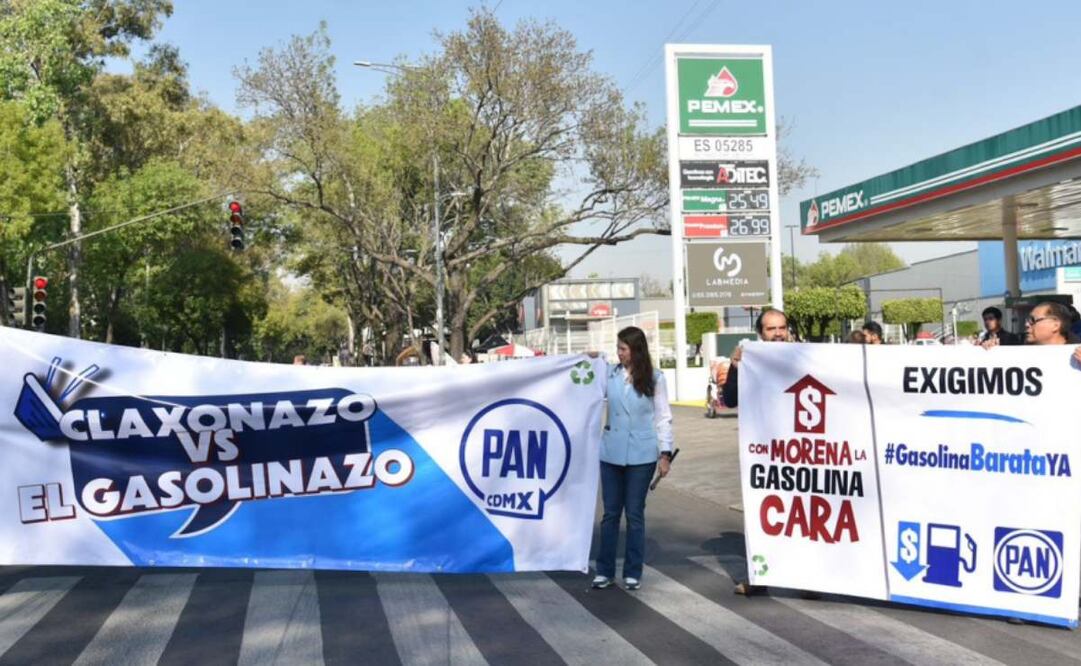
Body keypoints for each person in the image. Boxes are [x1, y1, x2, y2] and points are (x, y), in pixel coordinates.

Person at [592, 326, 673, 591]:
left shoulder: (656, 378)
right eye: (617, 348)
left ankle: (632, 571)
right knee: (610, 514)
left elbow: (663, 418)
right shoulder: (610, 374)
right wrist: (588, 359)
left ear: (636, 350)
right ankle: (604, 570)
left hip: (642, 454)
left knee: (635, 514)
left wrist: (665, 453)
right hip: (611, 452)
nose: (619, 353)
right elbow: (586, 382)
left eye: (623, 349)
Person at [722, 308, 789, 408]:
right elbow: (730, 401)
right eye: (771, 329)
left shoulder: (803, 359)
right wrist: (736, 369)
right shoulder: (748, 360)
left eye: (782, 328)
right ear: (760, 333)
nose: (778, 333)